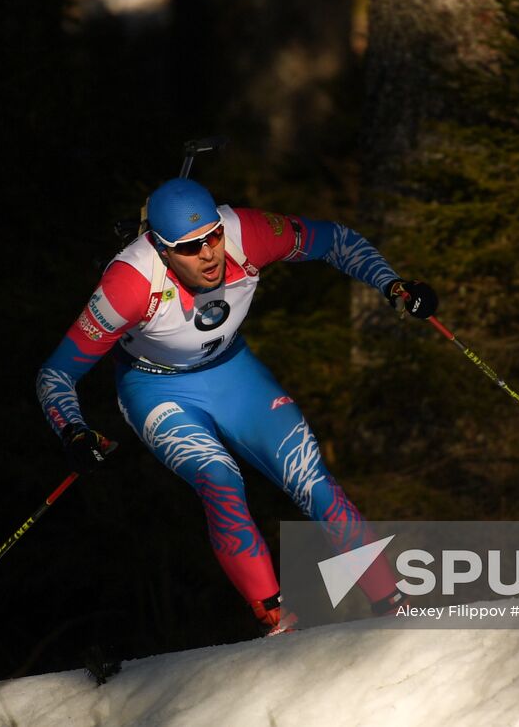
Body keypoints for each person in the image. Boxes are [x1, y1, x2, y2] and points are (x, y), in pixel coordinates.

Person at [36, 178, 437, 634]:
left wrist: (393, 284)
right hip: (155, 388)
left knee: (310, 477)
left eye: (212, 237)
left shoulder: (248, 232)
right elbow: (56, 373)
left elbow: (336, 240)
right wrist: (72, 429)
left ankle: (394, 605)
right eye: (189, 247)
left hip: (233, 372)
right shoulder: (129, 284)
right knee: (219, 478)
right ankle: (275, 619)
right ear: (162, 250)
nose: (208, 253)